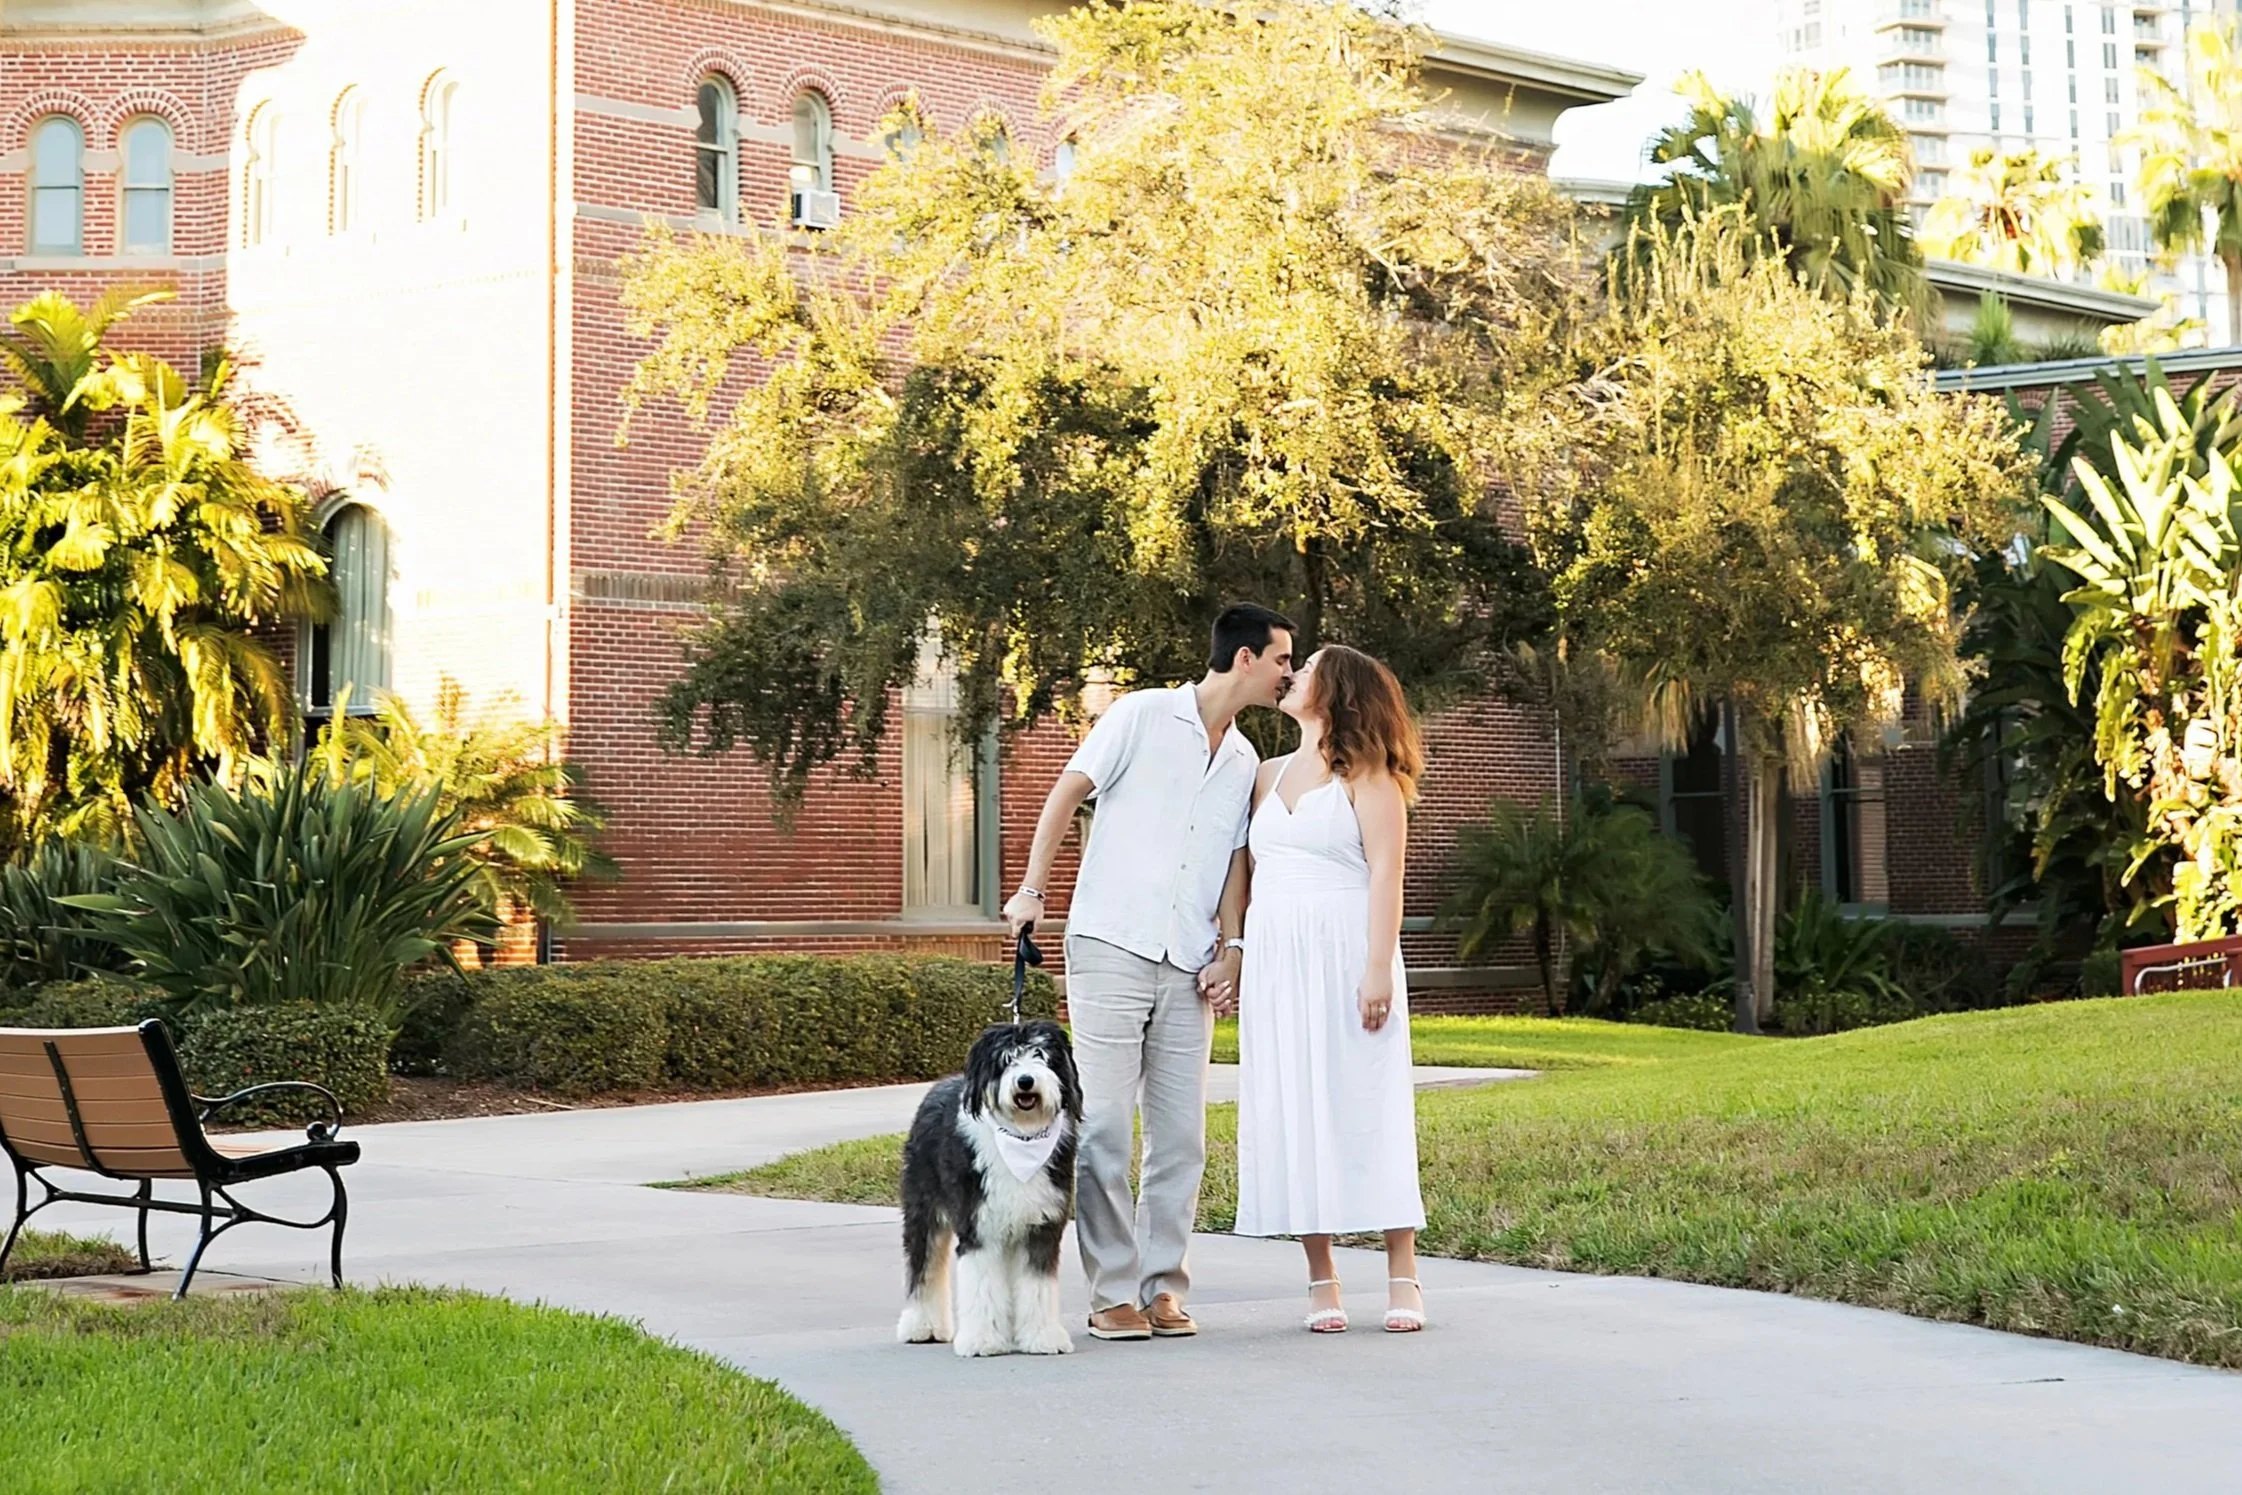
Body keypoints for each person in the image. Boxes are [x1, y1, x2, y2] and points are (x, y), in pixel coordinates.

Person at [1004, 604, 1295, 1341]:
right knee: (1103, 1126)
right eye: (1282, 660)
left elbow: (1233, 860)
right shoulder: (1140, 715)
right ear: (1246, 659)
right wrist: (1033, 889)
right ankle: (1110, 1293)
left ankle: (1163, 1286)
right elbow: (1067, 791)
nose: (1289, 674)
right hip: (1111, 942)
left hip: (1187, 960)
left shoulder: (1242, 759)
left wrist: (1233, 947)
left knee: (1181, 1137)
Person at [1233, 644, 1428, 1334]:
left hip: (1347, 950)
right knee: (1294, 1103)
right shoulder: (1265, 774)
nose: (1293, 675)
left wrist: (1377, 968)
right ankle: (1322, 1275)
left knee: (1369, 1098)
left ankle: (1402, 1271)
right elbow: (1243, 873)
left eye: (1309, 668)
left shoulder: (1370, 777)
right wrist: (1234, 951)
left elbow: (1386, 876)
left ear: (1337, 691)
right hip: (1277, 959)